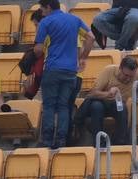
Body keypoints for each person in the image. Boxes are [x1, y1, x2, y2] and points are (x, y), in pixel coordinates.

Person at [33, 0, 92, 150]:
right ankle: (61, 141)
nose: (42, 12)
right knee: (64, 106)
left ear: (48, 7)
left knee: (49, 106)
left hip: (52, 69)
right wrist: (83, 57)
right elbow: (91, 37)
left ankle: (46, 141)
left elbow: (39, 50)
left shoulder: (45, 22)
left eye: (42, 8)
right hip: (71, 71)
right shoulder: (75, 19)